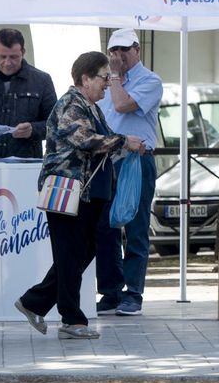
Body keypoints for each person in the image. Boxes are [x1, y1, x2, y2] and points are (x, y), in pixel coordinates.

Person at [16, 51, 143, 340]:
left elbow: (104, 139)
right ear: (85, 79)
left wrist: (128, 144)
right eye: (103, 78)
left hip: (87, 195)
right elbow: (85, 140)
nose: (107, 85)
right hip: (67, 192)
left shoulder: (91, 106)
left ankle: (34, 302)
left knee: (77, 255)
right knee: (70, 256)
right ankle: (72, 320)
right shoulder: (71, 104)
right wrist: (124, 140)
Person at [94, 28, 162, 317]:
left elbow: (122, 105)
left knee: (134, 227)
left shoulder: (150, 80)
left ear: (137, 49)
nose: (118, 56)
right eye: (114, 51)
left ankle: (133, 293)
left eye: (124, 50)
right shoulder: (105, 81)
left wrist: (115, 77)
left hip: (136, 160)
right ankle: (110, 291)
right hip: (107, 159)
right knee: (103, 227)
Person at [0, 28, 56, 161]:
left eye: (13, 57)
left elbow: (56, 124)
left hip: (24, 164)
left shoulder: (42, 80)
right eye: (2, 57)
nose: (7, 63)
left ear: (23, 52)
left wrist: (33, 130)